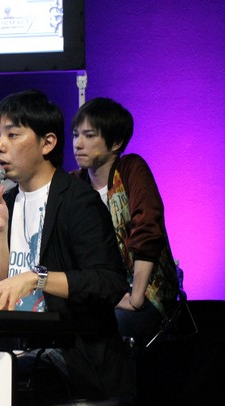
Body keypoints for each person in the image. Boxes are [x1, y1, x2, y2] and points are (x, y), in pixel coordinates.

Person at [0, 90, 133, 405]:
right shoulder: (7, 200)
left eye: (12, 135)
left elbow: (109, 282)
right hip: (17, 345)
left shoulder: (78, 201)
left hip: (70, 352)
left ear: (47, 143)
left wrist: (38, 278)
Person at [71, 97, 179, 343]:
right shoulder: (75, 184)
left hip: (145, 290)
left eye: (89, 135)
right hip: (97, 292)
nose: (78, 144)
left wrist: (136, 296)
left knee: (108, 328)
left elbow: (148, 228)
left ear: (116, 142)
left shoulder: (131, 169)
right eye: (76, 135)